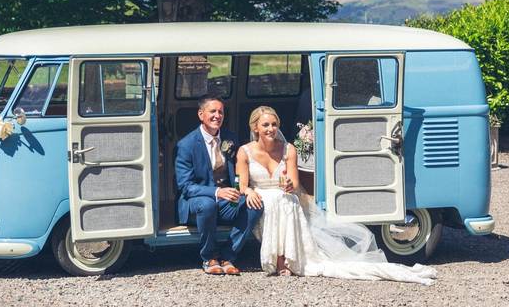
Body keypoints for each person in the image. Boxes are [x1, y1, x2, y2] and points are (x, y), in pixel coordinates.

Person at [236, 106, 438, 284]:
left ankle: (286, 257)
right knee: (275, 200)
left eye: (273, 124)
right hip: (261, 196)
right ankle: (279, 258)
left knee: (285, 199)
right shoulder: (244, 152)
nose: (270, 129)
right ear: (255, 128)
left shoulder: (288, 149)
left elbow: (295, 183)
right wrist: (249, 191)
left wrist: (289, 184)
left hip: (284, 195)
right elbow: (242, 185)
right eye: (265, 125)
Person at [174, 94, 263, 275]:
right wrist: (217, 192)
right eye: (212, 111)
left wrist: (243, 190)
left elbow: (237, 173)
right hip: (196, 202)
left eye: (221, 112)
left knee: (255, 205)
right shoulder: (186, 145)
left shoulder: (230, 138)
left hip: (225, 201)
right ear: (201, 114)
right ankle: (209, 257)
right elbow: (186, 186)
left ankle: (228, 255)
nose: (217, 116)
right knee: (208, 205)